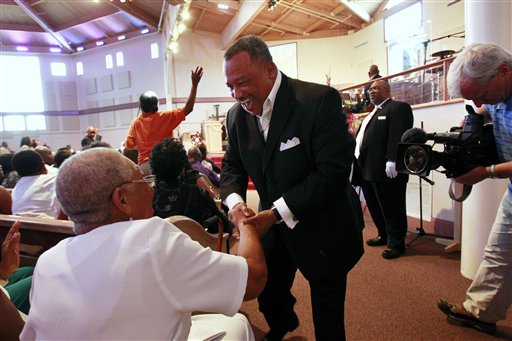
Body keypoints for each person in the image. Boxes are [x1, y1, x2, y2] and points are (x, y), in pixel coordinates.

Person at [20, 148, 268, 340]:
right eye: (144, 181)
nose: (151, 189)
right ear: (122, 199)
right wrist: (245, 226)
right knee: (236, 324)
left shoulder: (47, 262)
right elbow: (253, 279)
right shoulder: (152, 237)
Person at [220, 35, 364, 341]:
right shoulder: (235, 118)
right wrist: (235, 204)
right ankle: (283, 324)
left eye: (242, 82)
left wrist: (275, 213)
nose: (237, 94)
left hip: (323, 223)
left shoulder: (318, 100)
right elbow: (232, 167)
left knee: (327, 310)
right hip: (272, 227)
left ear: (270, 69)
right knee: (268, 291)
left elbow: (332, 173)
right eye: (230, 86)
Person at [437, 43, 512, 334]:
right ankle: (480, 311)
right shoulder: (495, 92)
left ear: (504, 71)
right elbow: (481, 110)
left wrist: (486, 172)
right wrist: (471, 123)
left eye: (481, 94)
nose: (482, 101)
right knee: (499, 251)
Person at [353, 80, 414, 259]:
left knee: (392, 206)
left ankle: (396, 244)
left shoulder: (398, 108)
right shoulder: (372, 113)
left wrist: (393, 159)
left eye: (377, 88)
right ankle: (384, 234)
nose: (372, 91)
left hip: (387, 169)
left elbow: (398, 134)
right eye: (370, 89)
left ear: (387, 90)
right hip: (367, 169)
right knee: (375, 205)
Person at [124, 66, 203, 175]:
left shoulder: (135, 123)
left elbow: (129, 147)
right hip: (164, 166)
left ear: (141, 106)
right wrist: (194, 85)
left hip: (144, 168)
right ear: (156, 105)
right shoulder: (165, 117)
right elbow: (188, 108)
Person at [151, 138, 231, 234]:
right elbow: (223, 223)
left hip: (161, 246)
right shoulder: (197, 191)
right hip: (195, 246)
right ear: (182, 165)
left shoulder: (150, 196)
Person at [10, 150, 62, 219]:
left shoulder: (17, 188)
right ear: (43, 166)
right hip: (53, 227)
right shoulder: (56, 179)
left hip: (20, 227)